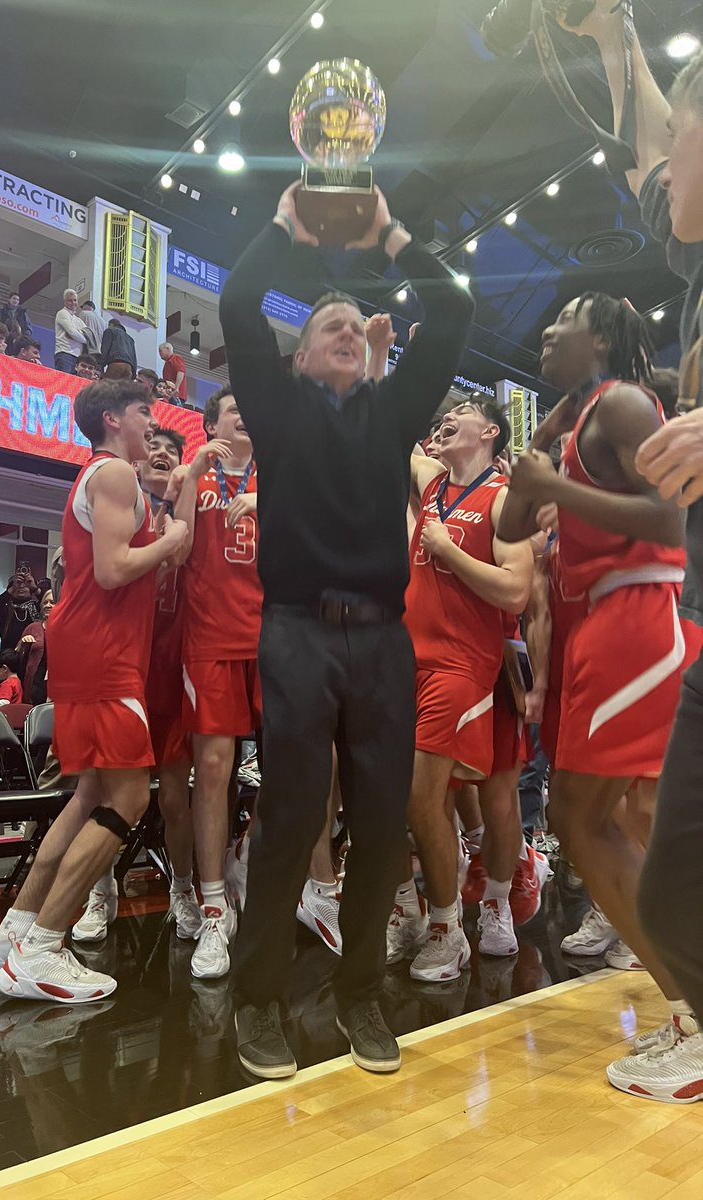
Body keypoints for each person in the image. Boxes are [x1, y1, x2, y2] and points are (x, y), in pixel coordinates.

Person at [219, 180, 474, 1078]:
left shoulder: (394, 411)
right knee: (290, 815)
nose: (344, 326)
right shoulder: (279, 410)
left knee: (383, 820)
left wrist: (390, 235)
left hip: (383, 641)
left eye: (354, 323)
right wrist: (286, 227)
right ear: (296, 358)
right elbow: (236, 304)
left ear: (370, 352)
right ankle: (255, 1000)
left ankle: (361, 990)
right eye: (326, 321)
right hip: (294, 630)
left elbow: (452, 310)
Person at [496, 290, 699, 1094]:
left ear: (604, 343)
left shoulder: (621, 403)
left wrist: (561, 487)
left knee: (583, 818)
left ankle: (694, 1015)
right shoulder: (577, 421)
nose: (546, 331)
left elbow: (674, 519)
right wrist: (539, 455)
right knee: (604, 819)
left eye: (565, 323)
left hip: (642, 612)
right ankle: (688, 1008)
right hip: (598, 629)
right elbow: (514, 527)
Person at [565, 5, 703, 1100]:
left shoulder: (612, 402)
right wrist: (610, 29)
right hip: (668, 618)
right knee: (660, 864)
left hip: (646, 612)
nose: (662, 166)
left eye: (686, 139)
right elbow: (648, 136)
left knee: (651, 863)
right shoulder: (695, 252)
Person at [0, 380, 187, 1002]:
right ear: (113, 417)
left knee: (89, 793)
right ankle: (43, 948)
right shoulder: (115, 473)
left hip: (91, 651)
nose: (154, 421)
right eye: (145, 411)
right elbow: (113, 568)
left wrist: (172, 515)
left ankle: (13, 933)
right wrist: (171, 540)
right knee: (129, 798)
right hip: (103, 653)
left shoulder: (110, 476)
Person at [396, 398, 533, 979]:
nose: (444, 419)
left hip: (464, 667)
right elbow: (395, 429)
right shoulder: (432, 481)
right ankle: (434, 915)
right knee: (425, 801)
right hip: (410, 663)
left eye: (463, 413)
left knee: (435, 798)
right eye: (439, 415)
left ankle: (457, 923)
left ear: (491, 432)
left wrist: (449, 550)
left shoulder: (501, 499)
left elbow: (517, 590)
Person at [72, 427, 201, 944]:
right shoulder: (121, 513)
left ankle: (184, 892)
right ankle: (99, 895)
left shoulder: (191, 523)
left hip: (172, 675)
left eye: (175, 451)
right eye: (156, 448)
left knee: (174, 797)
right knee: (103, 792)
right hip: (124, 668)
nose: (163, 454)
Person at [173, 386, 262, 980]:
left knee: (305, 767)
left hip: (277, 639)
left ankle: (245, 855)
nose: (246, 415)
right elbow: (176, 553)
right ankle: (211, 909)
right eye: (235, 409)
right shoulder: (195, 475)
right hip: (209, 641)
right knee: (212, 771)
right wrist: (186, 481)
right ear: (211, 424)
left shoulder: (279, 475)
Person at [17, 589, 54, 705]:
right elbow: (16, 656)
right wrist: (23, 644)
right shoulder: (33, 628)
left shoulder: (70, 630)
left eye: (52, 602)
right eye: (45, 602)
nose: (48, 605)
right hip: (36, 682)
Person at [0, 572, 41, 651]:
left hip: (32, 654)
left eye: (25, 585)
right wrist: (13, 586)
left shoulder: (39, 608)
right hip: (8, 655)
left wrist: (35, 588)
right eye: (19, 585)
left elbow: (51, 602)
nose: (21, 587)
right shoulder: (5, 611)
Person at [54, 290, 89, 374]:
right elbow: (73, 333)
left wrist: (80, 335)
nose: (73, 303)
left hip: (77, 357)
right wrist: (84, 338)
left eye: (75, 300)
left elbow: (88, 334)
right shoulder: (62, 313)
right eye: (70, 300)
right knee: (64, 384)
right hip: (65, 353)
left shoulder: (78, 320)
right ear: (65, 302)